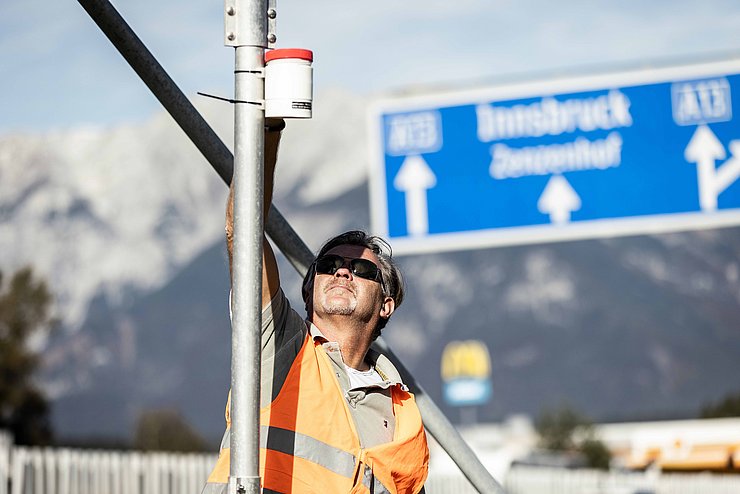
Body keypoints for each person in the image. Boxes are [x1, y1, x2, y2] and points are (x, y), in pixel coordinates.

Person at [202, 120, 429, 494]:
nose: (341, 271)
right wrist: (269, 129)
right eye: (327, 265)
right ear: (308, 294)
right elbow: (240, 230)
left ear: (386, 305)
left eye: (361, 269)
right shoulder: (282, 346)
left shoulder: (402, 411)